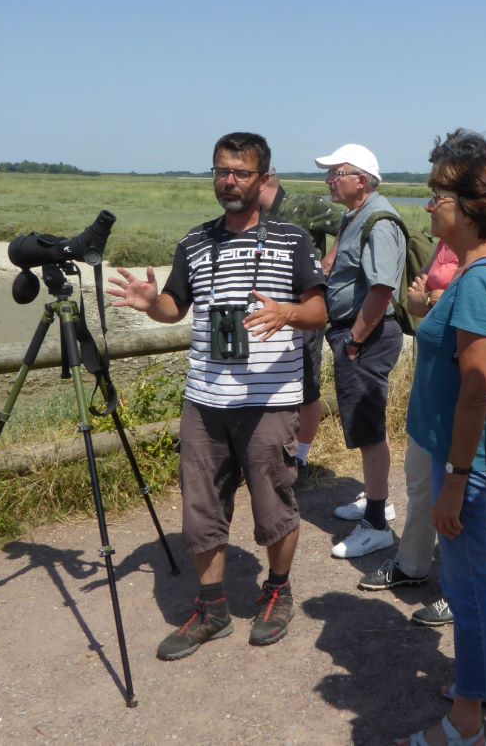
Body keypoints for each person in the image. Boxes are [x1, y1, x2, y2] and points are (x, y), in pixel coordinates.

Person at [108, 132, 327, 657]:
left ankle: (276, 592)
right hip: (205, 400)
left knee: (274, 502)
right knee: (200, 509)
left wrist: (287, 313)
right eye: (221, 171)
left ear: (263, 178)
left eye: (241, 172)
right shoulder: (193, 243)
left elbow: (320, 312)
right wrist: (149, 304)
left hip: (270, 399)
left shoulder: (294, 241)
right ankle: (212, 610)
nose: (229, 181)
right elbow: (174, 308)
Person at [396, 130, 486, 746]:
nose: (428, 207)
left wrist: (453, 481)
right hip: (480, 459)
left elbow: (476, 390)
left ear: (470, 207)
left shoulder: (476, 283)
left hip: (465, 463)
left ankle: (465, 722)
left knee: (467, 587)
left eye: (437, 196)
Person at [357, 230, 486, 634]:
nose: (430, 206)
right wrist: (429, 301)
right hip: (430, 405)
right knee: (420, 484)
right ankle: (413, 565)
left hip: (455, 408)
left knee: (461, 509)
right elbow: (413, 302)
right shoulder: (447, 248)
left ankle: (458, 593)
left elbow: (478, 379)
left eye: (441, 196)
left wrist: (436, 301)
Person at [316, 143, 407, 559]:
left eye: (337, 173)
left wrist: (354, 338)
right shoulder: (354, 216)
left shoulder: (379, 220)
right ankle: (377, 497)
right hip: (359, 334)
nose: (330, 180)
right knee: (367, 425)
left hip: (368, 336)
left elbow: (382, 288)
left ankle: (376, 523)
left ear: (362, 179)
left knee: (368, 429)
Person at [259, 169, 342, 476]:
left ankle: (301, 457)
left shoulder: (303, 205)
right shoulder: (256, 215)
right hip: (271, 312)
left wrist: (329, 261)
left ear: (265, 177)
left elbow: (347, 221)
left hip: (305, 311)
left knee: (307, 386)